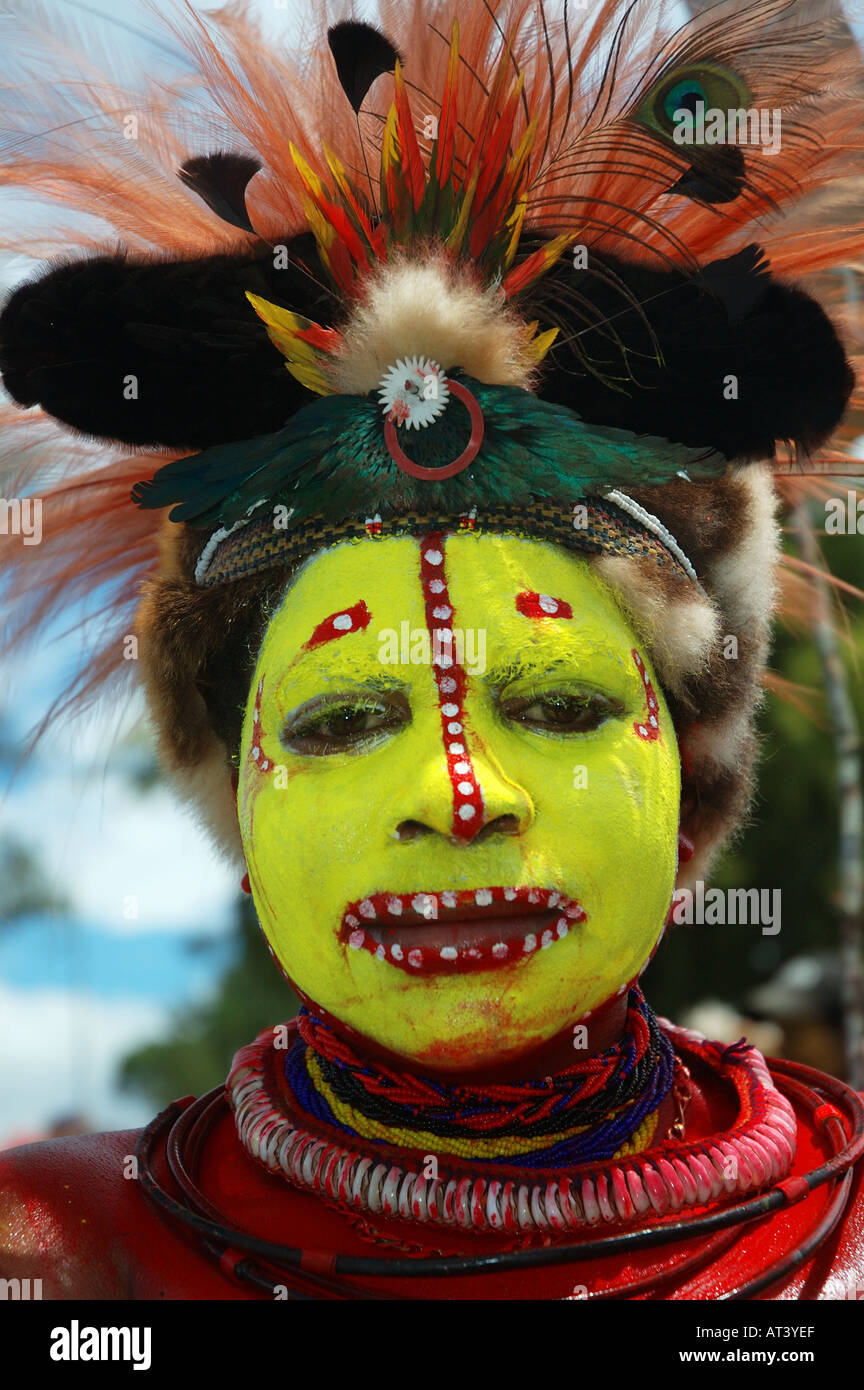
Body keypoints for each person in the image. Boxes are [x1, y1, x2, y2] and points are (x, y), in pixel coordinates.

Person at [1, 0, 863, 1300]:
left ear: (692, 781)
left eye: (564, 706)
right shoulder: (59, 1255)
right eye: (344, 720)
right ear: (229, 796)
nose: (462, 798)